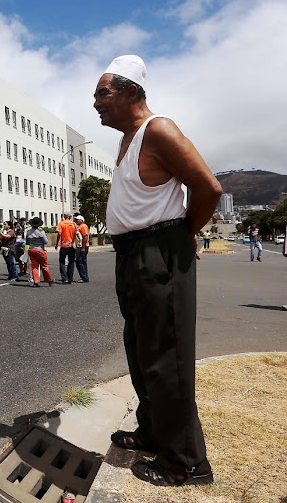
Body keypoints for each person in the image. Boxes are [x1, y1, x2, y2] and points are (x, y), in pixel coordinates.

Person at [95, 54, 222, 487]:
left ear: (131, 91)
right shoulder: (127, 138)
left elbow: (209, 188)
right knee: (141, 349)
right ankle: (153, 431)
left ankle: (185, 462)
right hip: (133, 252)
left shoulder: (159, 129)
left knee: (167, 355)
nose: (96, 103)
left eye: (103, 94)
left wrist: (186, 231)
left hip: (159, 250)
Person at [26, 217, 53, 287]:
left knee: (34, 266)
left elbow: (27, 242)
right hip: (40, 249)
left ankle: (36, 281)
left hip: (31, 249)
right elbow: (46, 241)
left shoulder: (28, 232)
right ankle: (49, 280)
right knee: (44, 266)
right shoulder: (41, 231)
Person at [54, 213, 78, 284]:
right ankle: (70, 278)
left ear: (64, 217)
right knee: (71, 262)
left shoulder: (61, 224)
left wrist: (57, 243)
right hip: (72, 245)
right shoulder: (74, 224)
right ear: (70, 217)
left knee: (62, 262)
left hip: (64, 245)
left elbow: (59, 234)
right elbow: (76, 233)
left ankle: (64, 278)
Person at [74, 215, 90, 283]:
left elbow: (85, 236)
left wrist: (83, 247)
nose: (76, 221)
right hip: (81, 246)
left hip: (82, 246)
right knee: (82, 262)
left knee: (80, 262)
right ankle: (84, 277)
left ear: (82, 220)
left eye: (78, 219)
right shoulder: (80, 227)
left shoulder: (83, 226)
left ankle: (84, 277)